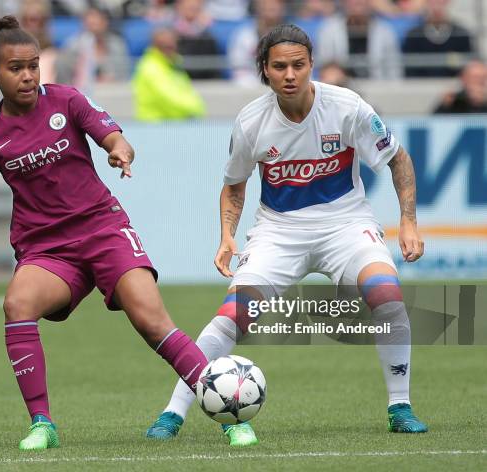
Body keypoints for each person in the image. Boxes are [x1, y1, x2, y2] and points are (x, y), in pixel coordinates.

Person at [0, 15, 208, 451]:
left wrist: (120, 152)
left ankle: (227, 409)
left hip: (103, 230)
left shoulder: (66, 101)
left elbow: (114, 136)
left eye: (33, 65)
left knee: (149, 319)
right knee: (17, 303)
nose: (28, 75)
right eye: (16, 68)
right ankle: (42, 424)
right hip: (48, 249)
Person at [146, 23, 427, 447]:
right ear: (265, 70)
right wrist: (227, 234)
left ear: (312, 64)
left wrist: (407, 221)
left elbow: (398, 159)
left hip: (346, 225)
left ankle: (400, 407)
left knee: (386, 294)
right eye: (280, 66)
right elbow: (235, 183)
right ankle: (172, 413)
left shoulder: (346, 106)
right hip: (279, 231)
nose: (290, 74)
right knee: (231, 317)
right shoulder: (251, 121)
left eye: (299, 65)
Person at [315, 0, 402, 79]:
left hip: (377, 87)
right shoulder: (328, 29)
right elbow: (324, 64)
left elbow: (393, 69)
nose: (358, 2)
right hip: (342, 88)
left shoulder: (385, 31)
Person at [132, 28, 206, 121]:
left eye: (172, 45)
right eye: (164, 46)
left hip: (174, 124)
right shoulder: (150, 67)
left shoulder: (174, 64)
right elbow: (168, 97)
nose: (170, 48)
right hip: (153, 126)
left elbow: (186, 90)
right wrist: (195, 108)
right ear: (155, 46)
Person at [55, 7, 131, 90]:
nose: (94, 29)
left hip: (112, 93)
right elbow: (64, 81)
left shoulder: (117, 45)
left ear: (105, 23)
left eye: (98, 24)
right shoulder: (72, 47)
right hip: (80, 94)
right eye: (91, 25)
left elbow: (124, 76)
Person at [402, 0, 474, 78]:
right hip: (420, 86)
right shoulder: (414, 35)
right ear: (426, 3)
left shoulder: (461, 34)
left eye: (440, 2)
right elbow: (409, 70)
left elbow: (468, 66)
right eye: (433, 2)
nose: (436, 6)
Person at [228, 0, 285, 87]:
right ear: (259, 9)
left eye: (274, 7)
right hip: (251, 81)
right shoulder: (244, 34)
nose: (270, 11)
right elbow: (236, 64)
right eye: (266, 7)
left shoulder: (291, 34)